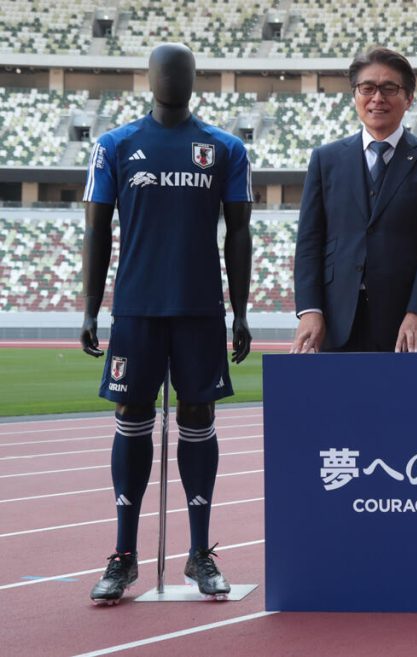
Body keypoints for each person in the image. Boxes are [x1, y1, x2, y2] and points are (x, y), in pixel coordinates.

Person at [80, 43, 253, 604]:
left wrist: (241, 310)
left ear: (194, 79)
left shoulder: (225, 148)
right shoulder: (115, 145)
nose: (172, 78)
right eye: (163, 71)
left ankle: (200, 553)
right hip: (136, 307)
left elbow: (239, 233)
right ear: (150, 78)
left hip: (200, 307)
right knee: (131, 415)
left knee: (198, 416)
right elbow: (96, 229)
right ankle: (124, 555)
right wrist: (90, 307)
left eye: (181, 71)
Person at [291, 47, 417, 353]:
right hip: (336, 324)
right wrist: (310, 309)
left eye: (389, 88)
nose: (377, 98)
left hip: (407, 326)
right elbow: (309, 242)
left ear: (409, 98)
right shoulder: (325, 160)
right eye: (367, 88)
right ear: (355, 95)